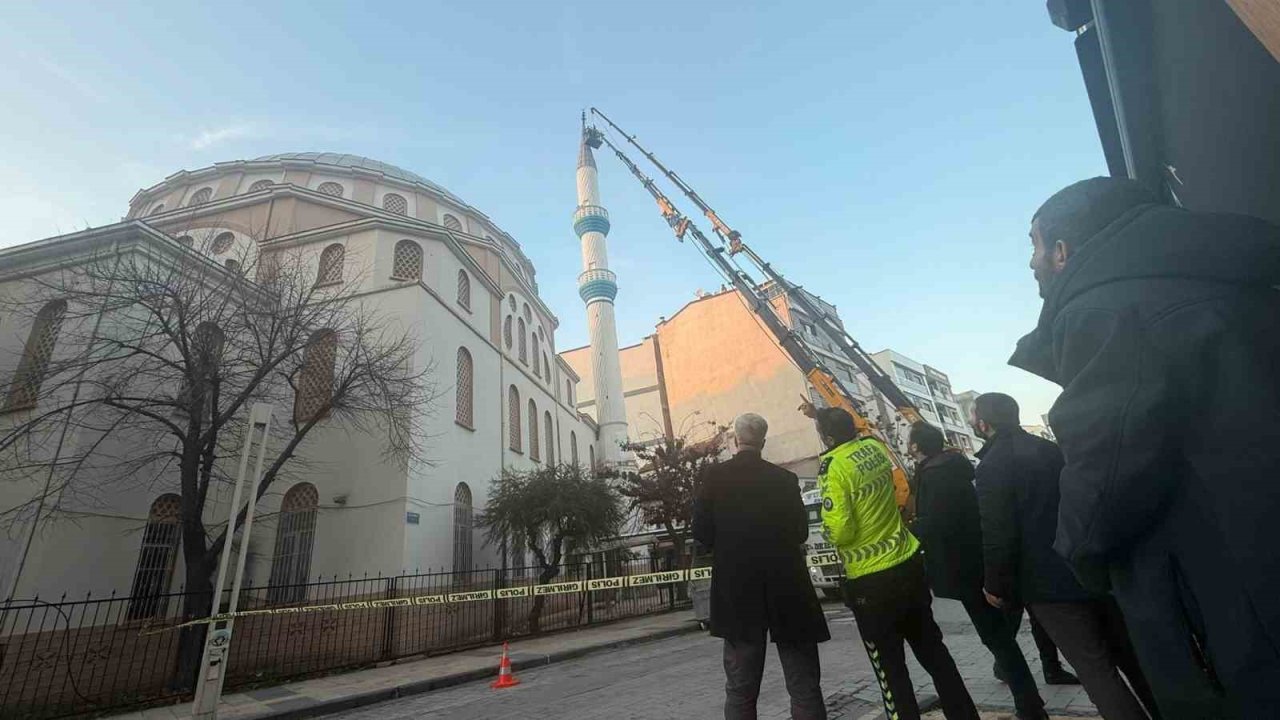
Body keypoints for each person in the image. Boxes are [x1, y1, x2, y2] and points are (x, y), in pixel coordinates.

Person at [1011, 177, 1280, 718]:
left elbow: (1105, 478)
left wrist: (1081, 558)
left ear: (1063, 251)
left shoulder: (1106, 312)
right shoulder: (1231, 286)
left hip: (1226, 597)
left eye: (1036, 246)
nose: (1032, 263)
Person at [971, 393, 1158, 720]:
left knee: (1095, 668)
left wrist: (995, 586)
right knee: (1131, 657)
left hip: (1046, 584)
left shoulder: (992, 467)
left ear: (984, 423)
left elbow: (999, 535)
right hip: (1087, 564)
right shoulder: (1050, 450)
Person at [817, 408, 978, 720]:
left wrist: (828, 527)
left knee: (890, 670)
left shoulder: (832, 467)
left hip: (870, 580)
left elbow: (841, 530)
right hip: (907, 564)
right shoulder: (875, 448)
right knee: (935, 653)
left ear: (828, 436)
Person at [692, 412, 830, 720]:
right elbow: (800, 532)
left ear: (734, 441)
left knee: (740, 688)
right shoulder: (786, 480)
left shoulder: (715, 477)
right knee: (804, 685)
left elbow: (700, 531)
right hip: (788, 589)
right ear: (764, 442)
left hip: (737, 591)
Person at [907, 422, 1048, 720]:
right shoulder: (956, 466)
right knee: (1000, 635)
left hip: (966, 569)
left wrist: (910, 529)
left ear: (917, 446)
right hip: (980, 562)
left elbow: (939, 523)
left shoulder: (935, 475)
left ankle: (1030, 706)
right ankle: (1029, 701)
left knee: (997, 639)